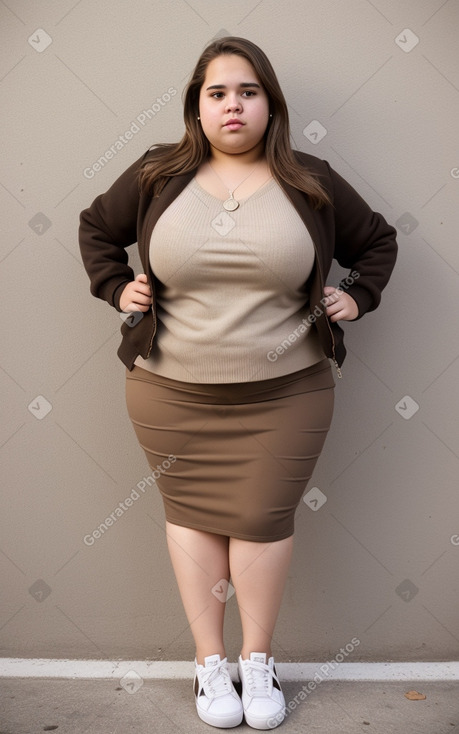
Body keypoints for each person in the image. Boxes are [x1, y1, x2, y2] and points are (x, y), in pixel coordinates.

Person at [79, 36, 397, 730]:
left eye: (248, 92)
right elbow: (96, 231)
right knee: (191, 519)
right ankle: (207, 666)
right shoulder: (156, 175)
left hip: (288, 393)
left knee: (261, 523)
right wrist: (115, 288)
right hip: (169, 393)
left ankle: (256, 662)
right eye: (217, 93)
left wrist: (357, 295)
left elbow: (376, 241)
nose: (233, 105)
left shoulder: (309, 180)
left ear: (269, 104)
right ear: (196, 107)